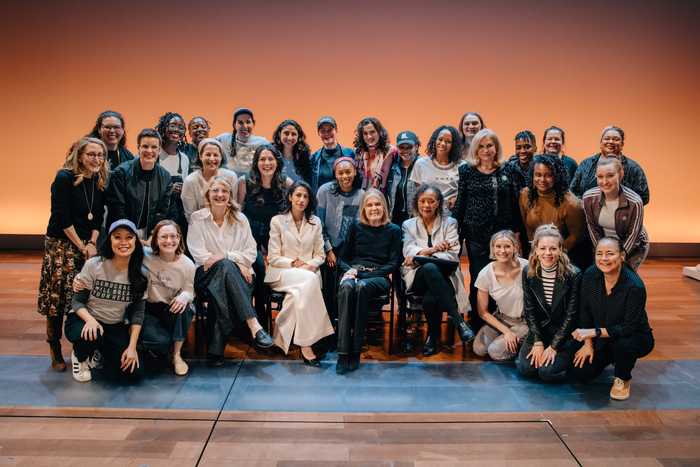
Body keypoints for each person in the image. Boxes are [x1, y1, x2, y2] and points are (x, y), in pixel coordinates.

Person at [37, 137, 109, 371]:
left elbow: (97, 216)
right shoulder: (64, 178)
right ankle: (54, 347)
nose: (96, 159)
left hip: (87, 246)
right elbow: (61, 215)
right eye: (91, 154)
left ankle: (82, 346)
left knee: (85, 297)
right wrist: (81, 245)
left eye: (101, 155)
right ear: (79, 156)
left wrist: (92, 242)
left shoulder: (99, 179)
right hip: (62, 246)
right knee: (58, 299)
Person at [187, 177, 274, 364]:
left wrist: (223, 255)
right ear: (208, 194)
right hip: (205, 275)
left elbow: (251, 252)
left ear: (230, 196)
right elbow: (201, 256)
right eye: (215, 190)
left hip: (239, 277)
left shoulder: (240, 219)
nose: (220, 195)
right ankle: (253, 324)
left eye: (224, 191)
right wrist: (233, 260)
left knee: (222, 287)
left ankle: (215, 351)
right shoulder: (197, 218)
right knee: (225, 268)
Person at [571, 237, 654, 400]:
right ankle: (614, 357)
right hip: (603, 337)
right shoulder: (590, 274)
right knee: (581, 373)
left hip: (633, 336)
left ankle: (623, 378)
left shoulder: (635, 286)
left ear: (622, 256)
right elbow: (585, 311)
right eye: (599, 253)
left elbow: (627, 328)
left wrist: (593, 332)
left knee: (623, 345)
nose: (604, 258)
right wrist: (588, 344)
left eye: (610, 254)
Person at [452, 128, 522, 324]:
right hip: (476, 234)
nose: (485, 150)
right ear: (475, 148)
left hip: (502, 235)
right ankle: (478, 319)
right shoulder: (466, 170)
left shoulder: (509, 169)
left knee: (502, 275)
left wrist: (517, 233)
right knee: (479, 276)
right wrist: (453, 229)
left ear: (496, 147)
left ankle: (500, 316)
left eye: (489, 145)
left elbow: (514, 203)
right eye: (481, 146)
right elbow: (461, 202)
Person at [65, 219, 148, 383]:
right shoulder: (94, 265)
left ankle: (99, 351)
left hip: (114, 326)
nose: (123, 242)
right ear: (110, 241)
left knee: (134, 375)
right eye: (117, 237)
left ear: (135, 242)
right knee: (93, 335)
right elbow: (77, 302)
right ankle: (80, 357)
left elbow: (138, 314)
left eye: (129, 237)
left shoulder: (141, 273)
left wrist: (131, 348)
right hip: (83, 320)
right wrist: (90, 320)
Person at [265, 181, 335, 364]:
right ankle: (311, 342)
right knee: (310, 280)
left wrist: (309, 265)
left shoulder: (315, 222)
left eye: (305, 196)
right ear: (290, 197)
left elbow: (320, 254)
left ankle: (294, 341)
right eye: (298, 195)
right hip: (282, 273)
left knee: (297, 294)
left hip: (307, 274)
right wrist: (296, 264)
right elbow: (272, 257)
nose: (302, 199)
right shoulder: (277, 221)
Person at [401, 185, 474, 357]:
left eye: (431, 201)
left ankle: (432, 338)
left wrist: (421, 255)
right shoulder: (408, 224)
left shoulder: (450, 223)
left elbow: (452, 254)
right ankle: (459, 322)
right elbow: (408, 251)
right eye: (422, 201)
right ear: (416, 203)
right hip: (417, 277)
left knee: (430, 299)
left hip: (444, 278)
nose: (426, 205)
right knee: (429, 267)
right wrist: (432, 251)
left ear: (438, 203)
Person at [336, 189, 401, 374]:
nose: (374, 208)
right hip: (354, 273)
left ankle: (355, 351)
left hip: (379, 277)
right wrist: (349, 271)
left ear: (384, 207)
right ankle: (343, 351)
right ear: (364, 208)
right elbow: (343, 257)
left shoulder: (394, 230)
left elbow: (393, 264)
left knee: (361, 287)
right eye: (370, 205)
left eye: (378, 204)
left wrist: (361, 275)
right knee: (348, 288)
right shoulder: (356, 227)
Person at [516, 224, 582, 381]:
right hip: (540, 330)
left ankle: (569, 357)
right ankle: (531, 344)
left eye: (553, 248)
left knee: (547, 372)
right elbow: (530, 310)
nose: (548, 253)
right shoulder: (528, 272)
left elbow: (571, 316)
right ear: (536, 250)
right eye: (543, 248)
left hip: (563, 334)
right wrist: (538, 342)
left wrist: (553, 347)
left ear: (560, 250)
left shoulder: (574, 275)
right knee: (526, 370)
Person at [237, 144, 293, 320]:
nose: (267, 163)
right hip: (251, 229)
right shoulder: (244, 182)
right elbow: (238, 212)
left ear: (277, 162)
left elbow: (291, 214)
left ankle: (283, 310)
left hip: (275, 231)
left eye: (270, 159)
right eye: (262, 159)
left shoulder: (287, 183)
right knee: (258, 268)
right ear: (256, 162)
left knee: (279, 266)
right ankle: (259, 314)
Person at [105, 128, 177, 245]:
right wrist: (131, 235)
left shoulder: (165, 177)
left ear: (159, 150)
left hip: (151, 235)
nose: (149, 151)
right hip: (123, 233)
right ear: (138, 148)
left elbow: (162, 212)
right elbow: (117, 209)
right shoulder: (121, 173)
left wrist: (152, 236)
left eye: (154, 147)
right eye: (145, 146)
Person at [141, 221, 195, 375]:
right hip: (149, 308)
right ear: (156, 240)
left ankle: (177, 355)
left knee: (187, 308)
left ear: (179, 239)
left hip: (170, 307)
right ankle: (160, 343)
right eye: (163, 237)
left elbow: (189, 291)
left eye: (173, 236)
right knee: (161, 345)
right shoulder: (145, 255)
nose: (169, 241)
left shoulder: (187, 264)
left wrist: (185, 295)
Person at [316, 157, 365, 317]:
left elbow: (357, 229)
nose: (345, 176)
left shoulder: (361, 194)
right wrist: (329, 250)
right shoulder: (325, 191)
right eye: (341, 173)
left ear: (355, 172)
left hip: (348, 249)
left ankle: (344, 322)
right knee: (328, 283)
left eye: (348, 172)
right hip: (326, 246)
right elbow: (318, 223)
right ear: (335, 174)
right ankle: (328, 322)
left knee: (346, 284)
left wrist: (344, 254)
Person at [582, 158, 648, 272]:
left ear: (620, 175)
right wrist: (603, 253)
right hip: (603, 244)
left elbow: (633, 234)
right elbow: (592, 229)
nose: (605, 181)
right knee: (601, 274)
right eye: (600, 177)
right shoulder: (588, 198)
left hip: (632, 246)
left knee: (623, 275)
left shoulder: (635, 201)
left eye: (610, 176)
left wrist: (619, 255)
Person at [472, 231, 529, 361]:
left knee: (495, 352)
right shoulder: (485, 273)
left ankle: (523, 345)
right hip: (502, 318)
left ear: (515, 247)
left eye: (507, 246)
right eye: (498, 246)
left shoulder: (526, 267)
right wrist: (506, 331)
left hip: (524, 321)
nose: (502, 251)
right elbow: (483, 312)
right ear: (493, 248)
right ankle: (509, 340)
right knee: (479, 349)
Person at [519, 154, 586, 262]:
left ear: (556, 176)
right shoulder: (525, 195)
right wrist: (537, 254)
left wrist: (550, 255)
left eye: (548, 175)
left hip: (562, 256)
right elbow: (529, 228)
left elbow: (575, 236)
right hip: (536, 254)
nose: (542, 179)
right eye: (538, 175)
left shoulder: (571, 204)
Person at [570, 125, 650, 205]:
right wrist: (583, 204)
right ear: (600, 143)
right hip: (587, 214)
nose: (611, 142)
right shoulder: (586, 164)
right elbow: (572, 190)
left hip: (620, 215)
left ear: (622, 145)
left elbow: (643, 196)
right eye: (607, 138)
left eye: (616, 139)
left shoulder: (633, 167)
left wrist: (622, 207)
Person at [410, 125, 465, 216]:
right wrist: (416, 220)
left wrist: (457, 198)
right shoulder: (421, 164)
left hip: (453, 217)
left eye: (448, 141)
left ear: (454, 144)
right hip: (427, 216)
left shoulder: (462, 166)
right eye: (440, 139)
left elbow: (465, 193)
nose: (443, 143)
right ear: (435, 140)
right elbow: (417, 197)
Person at [182, 138, 238, 222]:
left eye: (215, 155)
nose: (212, 159)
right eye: (208, 154)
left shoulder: (231, 177)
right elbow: (191, 215)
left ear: (221, 157)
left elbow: (232, 207)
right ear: (200, 156)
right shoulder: (190, 181)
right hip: (199, 226)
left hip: (226, 224)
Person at [156, 112, 190, 231]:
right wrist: (168, 189)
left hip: (177, 214)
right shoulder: (154, 155)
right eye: (172, 126)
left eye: (181, 127)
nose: (177, 130)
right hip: (155, 213)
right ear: (163, 128)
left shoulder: (183, 158)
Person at [215, 108, 270, 174]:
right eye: (240, 122)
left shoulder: (262, 143)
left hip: (252, 182)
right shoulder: (223, 139)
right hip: (227, 182)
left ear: (254, 124)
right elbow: (205, 145)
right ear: (234, 125)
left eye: (248, 122)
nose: (245, 126)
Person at [310, 116, 356, 193]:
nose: (326, 133)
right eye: (323, 130)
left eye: (330, 129)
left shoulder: (350, 154)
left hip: (346, 201)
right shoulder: (314, 158)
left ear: (336, 131)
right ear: (318, 133)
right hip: (323, 202)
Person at [353, 117, 397, 193]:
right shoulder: (357, 152)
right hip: (360, 195)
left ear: (379, 132)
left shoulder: (390, 151)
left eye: (372, 132)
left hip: (381, 195)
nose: (369, 136)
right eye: (365, 133)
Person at [387, 131, 420, 227]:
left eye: (409, 147)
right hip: (395, 219)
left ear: (416, 146)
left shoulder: (423, 166)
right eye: (401, 147)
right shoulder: (392, 167)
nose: (405, 150)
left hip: (416, 218)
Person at [272, 119, 312, 184]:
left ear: (298, 136)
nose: (290, 137)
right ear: (279, 134)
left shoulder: (303, 156)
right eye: (286, 133)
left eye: (293, 134)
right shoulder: (272, 154)